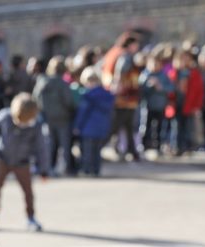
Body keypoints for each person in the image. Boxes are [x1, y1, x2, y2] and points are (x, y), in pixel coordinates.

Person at [0, 93, 51, 231]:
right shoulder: (5, 115)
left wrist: (43, 169)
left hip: (22, 161)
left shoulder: (36, 125)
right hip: (4, 157)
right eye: (18, 121)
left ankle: (31, 217)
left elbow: (41, 148)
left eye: (24, 123)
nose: (21, 124)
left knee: (28, 191)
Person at [33, 56, 76, 175]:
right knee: (65, 145)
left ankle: (49, 167)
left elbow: (36, 99)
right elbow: (69, 101)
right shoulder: (63, 84)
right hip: (63, 118)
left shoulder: (42, 82)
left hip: (47, 118)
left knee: (50, 144)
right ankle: (67, 168)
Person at [103, 33, 142, 161]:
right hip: (124, 96)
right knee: (117, 125)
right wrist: (118, 85)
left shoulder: (113, 52)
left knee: (126, 125)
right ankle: (97, 147)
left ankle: (131, 151)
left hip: (117, 94)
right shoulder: (124, 55)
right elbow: (122, 70)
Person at [74, 69, 115, 176]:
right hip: (102, 127)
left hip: (88, 127)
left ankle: (87, 169)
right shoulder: (107, 95)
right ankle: (96, 169)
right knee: (97, 151)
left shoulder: (88, 96)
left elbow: (83, 113)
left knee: (87, 151)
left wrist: (77, 126)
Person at [139, 55, 174, 154]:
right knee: (146, 126)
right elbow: (141, 90)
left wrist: (160, 87)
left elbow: (171, 88)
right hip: (148, 106)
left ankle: (158, 146)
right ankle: (144, 145)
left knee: (159, 127)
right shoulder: (145, 75)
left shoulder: (163, 75)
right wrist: (149, 86)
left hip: (160, 106)